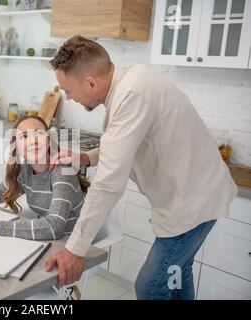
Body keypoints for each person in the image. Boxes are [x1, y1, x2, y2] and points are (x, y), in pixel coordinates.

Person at [44, 35, 238, 300]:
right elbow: (131, 141)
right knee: (179, 273)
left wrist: (75, 249)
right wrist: (87, 158)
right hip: (200, 195)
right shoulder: (134, 80)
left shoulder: (132, 94)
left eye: (69, 90)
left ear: (90, 82)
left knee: (150, 287)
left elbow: (108, 183)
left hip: (192, 205)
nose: (68, 97)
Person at [0, 115, 89, 240]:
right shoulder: (26, 171)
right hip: (47, 240)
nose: (33, 141)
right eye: (24, 137)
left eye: (38, 134)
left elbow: (54, 227)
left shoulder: (62, 172)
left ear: (48, 142)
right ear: (18, 147)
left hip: (71, 246)